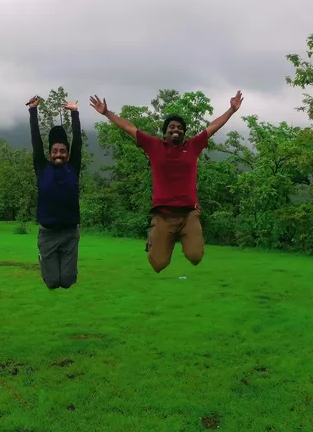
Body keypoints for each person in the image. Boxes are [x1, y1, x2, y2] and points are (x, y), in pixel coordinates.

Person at [89, 90, 244, 272]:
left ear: (184, 133)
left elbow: (213, 127)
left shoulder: (192, 146)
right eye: (171, 127)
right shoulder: (154, 146)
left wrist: (231, 110)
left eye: (179, 127)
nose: (176, 129)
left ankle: (187, 238)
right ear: (165, 133)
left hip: (189, 214)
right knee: (158, 264)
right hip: (163, 214)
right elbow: (129, 128)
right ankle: (155, 238)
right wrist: (107, 113)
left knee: (195, 257)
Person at [27, 95, 82, 289]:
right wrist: (33, 111)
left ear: (68, 154)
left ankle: (63, 265)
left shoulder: (73, 167)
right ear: (50, 153)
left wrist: (75, 113)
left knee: (67, 282)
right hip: (48, 234)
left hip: (69, 233)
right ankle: (45, 256)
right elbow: (36, 141)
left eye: (62, 151)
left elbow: (77, 141)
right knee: (52, 283)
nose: (59, 154)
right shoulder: (42, 168)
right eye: (55, 151)